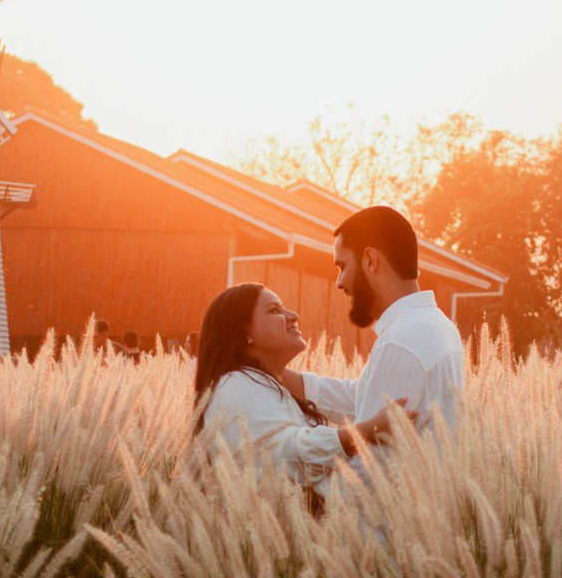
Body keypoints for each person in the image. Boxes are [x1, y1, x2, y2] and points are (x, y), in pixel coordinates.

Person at [194, 282, 413, 501]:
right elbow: (286, 456)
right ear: (245, 332)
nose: (294, 315)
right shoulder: (237, 386)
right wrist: (366, 432)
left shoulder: (257, 384)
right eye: (274, 310)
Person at [281, 206, 464, 459]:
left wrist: (303, 489)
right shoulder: (435, 324)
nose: (339, 282)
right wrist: (271, 371)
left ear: (370, 260)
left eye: (342, 266)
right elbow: (360, 399)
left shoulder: (404, 339)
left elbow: (370, 468)